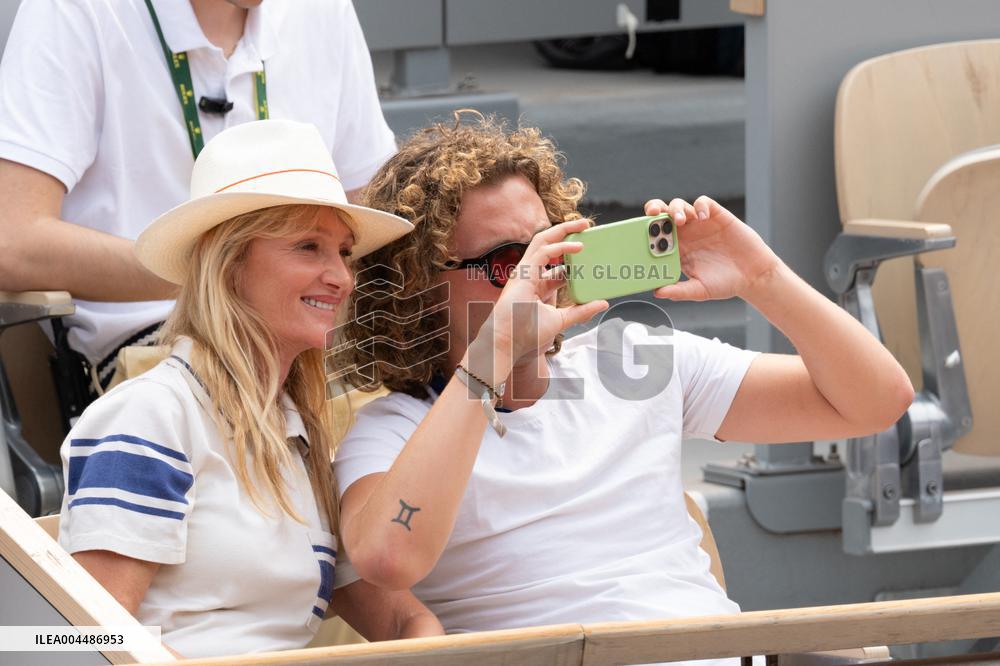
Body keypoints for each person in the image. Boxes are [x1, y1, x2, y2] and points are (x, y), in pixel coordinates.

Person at [329, 114, 914, 660]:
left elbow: (876, 402)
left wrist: (762, 278)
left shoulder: (633, 359)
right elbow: (389, 558)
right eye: (511, 261)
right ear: (422, 286)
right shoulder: (394, 430)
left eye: (552, 245)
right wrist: (490, 361)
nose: (546, 275)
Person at [58, 120, 441, 657]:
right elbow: (78, 639)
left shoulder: (298, 433)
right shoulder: (152, 415)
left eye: (345, 253)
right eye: (308, 247)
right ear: (229, 263)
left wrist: (430, 647)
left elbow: (401, 621)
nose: (341, 277)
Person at [0, 0, 395, 401]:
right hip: (158, 352)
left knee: (433, 410)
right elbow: (11, 243)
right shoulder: (76, 9)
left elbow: (380, 217)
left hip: (317, 346)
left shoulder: (323, 10)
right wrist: (227, 280)